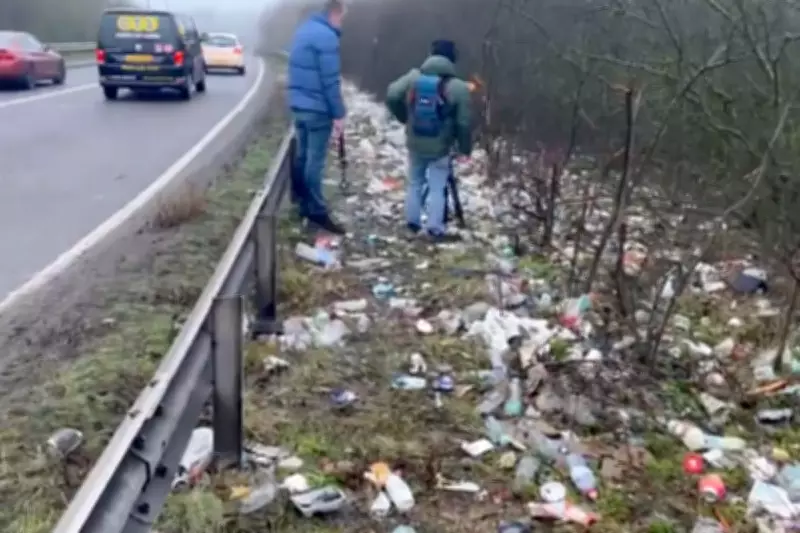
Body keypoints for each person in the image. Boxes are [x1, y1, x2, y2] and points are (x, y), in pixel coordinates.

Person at [385, 39, 472, 241]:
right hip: (440, 146)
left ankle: (412, 223)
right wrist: (464, 149)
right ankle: (434, 228)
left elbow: (391, 95)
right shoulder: (458, 87)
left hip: (415, 141)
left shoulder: (413, 77)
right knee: (437, 186)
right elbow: (464, 123)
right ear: (452, 59)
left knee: (415, 182)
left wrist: (404, 117)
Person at [287, 0, 347, 235]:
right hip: (318, 109)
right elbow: (330, 80)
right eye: (342, 17)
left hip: (299, 106)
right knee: (315, 160)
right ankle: (318, 211)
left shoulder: (303, 31)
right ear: (335, 12)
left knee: (302, 157)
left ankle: (303, 205)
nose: (341, 23)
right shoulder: (326, 37)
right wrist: (339, 114)